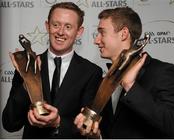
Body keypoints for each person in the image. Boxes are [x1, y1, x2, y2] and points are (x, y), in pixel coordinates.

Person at [74, 6, 174, 138]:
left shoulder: (163, 72)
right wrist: (96, 136)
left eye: (102, 33)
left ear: (124, 34)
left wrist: (130, 86)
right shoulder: (103, 82)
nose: (96, 40)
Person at [2, 2, 102, 139]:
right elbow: (9, 124)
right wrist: (29, 81)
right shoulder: (27, 66)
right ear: (47, 26)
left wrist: (58, 122)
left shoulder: (92, 72)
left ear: (79, 32)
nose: (60, 32)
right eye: (55, 25)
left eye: (68, 27)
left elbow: (87, 128)